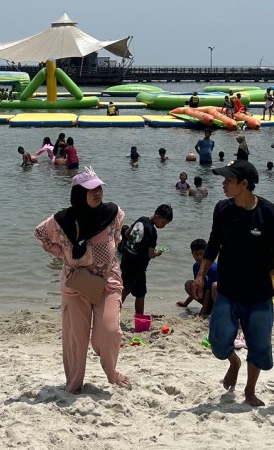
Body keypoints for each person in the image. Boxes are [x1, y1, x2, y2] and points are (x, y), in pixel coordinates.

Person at [193, 159, 274, 407]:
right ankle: (234, 362)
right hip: (227, 289)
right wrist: (200, 274)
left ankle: (249, 390)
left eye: (229, 180)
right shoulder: (222, 209)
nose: (223, 183)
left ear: (244, 184)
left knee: (258, 345)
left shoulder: (269, 212)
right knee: (217, 341)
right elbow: (213, 244)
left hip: (258, 293)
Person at [34, 168, 129, 393]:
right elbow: (40, 234)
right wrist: (65, 253)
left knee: (110, 332)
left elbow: (116, 236)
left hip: (108, 281)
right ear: (79, 193)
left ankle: (111, 372)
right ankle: (74, 385)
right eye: (91, 190)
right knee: (76, 339)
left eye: (99, 188)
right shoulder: (62, 220)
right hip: (75, 284)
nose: (97, 193)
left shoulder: (113, 213)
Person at [120, 204, 173, 316]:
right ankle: (140, 317)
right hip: (137, 267)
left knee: (126, 288)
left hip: (126, 260)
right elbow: (151, 254)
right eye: (163, 223)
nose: (163, 226)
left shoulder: (141, 219)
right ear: (157, 216)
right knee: (140, 294)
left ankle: (114, 310)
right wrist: (158, 253)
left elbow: (127, 233)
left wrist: (135, 244)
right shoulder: (152, 233)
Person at [178, 238, 218, 316]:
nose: (199, 257)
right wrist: (186, 303)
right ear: (192, 254)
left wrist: (201, 313)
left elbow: (208, 293)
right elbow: (196, 287)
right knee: (189, 284)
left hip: (216, 298)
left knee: (215, 286)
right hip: (207, 300)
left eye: (201, 254)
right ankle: (208, 309)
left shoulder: (213, 268)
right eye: (196, 254)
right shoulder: (195, 266)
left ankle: (216, 311)